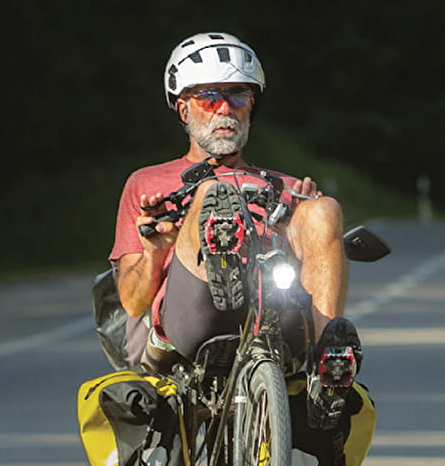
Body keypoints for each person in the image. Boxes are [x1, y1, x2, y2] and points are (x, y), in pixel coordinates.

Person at [108, 32, 362, 428]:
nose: (225, 109)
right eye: (209, 98)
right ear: (183, 110)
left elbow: (319, 250)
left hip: (278, 319)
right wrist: (156, 249)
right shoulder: (147, 184)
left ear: (252, 105)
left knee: (324, 209)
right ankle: (218, 257)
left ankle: (325, 364)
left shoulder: (286, 186)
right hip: (190, 322)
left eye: (238, 96)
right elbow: (132, 304)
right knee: (212, 190)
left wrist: (309, 219)